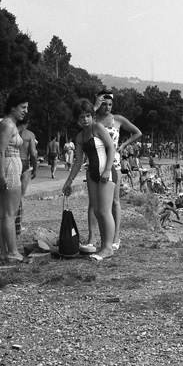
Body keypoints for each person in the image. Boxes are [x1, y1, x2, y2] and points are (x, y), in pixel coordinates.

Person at [85, 92, 142, 252]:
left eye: (110, 104)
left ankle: (116, 236)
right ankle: (92, 237)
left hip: (113, 163)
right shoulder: (92, 119)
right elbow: (83, 129)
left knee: (115, 201)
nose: (107, 107)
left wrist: (123, 145)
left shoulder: (118, 119)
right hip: (94, 161)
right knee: (93, 203)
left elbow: (137, 132)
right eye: (104, 104)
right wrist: (94, 108)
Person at [62, 98, 116, 261]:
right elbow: (78, 161)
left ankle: (108, 248)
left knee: (105, 211)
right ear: (77, 119)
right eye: (82, 117)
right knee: (97, 211)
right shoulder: (79, 137)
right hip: (92, 174)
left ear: (92, 115)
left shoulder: (98, 128)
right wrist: (69, 181)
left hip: (106, 172)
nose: (85, 119)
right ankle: (103, 246)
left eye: (88, 116)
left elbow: (111, 148)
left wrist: (107, 170)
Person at [0, 93, 29, 264]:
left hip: (4, 168)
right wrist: (2, 175)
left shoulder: (3, 124)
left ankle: (4, 252)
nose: (25, 111)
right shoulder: (9, 125)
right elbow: (0, 151)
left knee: (1, 214)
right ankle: (13, 252)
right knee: (9, 214)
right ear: (13, 107)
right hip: (9, 169)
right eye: (23, 107)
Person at [15, 117, 38, 236]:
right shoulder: (29, 135)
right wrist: (35, 167)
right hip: (24, 162)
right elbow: (33, 153)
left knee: (10, 196)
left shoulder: (11, 131)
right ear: (28, 122)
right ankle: (18, 225)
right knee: (21, 196)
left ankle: (9, 222)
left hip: (13, 161)